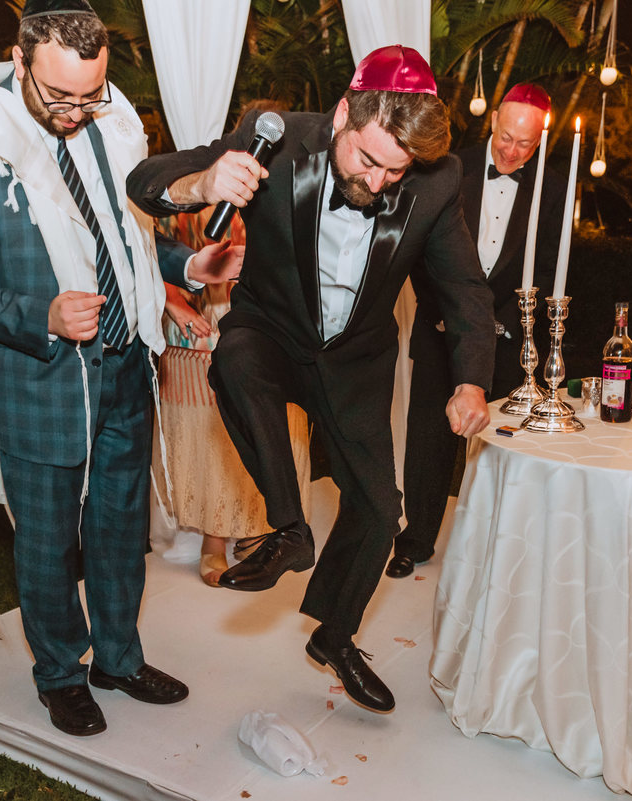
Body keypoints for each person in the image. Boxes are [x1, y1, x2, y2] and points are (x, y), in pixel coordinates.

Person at [126, 45, 495, 712]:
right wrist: (203, 184)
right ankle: (289, 529)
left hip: (356, 356)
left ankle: (335, 633)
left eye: (396, 170)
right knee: (234, 363)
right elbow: (145, 180)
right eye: (368, 160)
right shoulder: (275, 137)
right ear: (343, 113)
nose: (381, 181)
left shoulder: (437, 183)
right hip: (270, 329)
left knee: (382, 509)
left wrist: (470, 379)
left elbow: (464, 288)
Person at [0, 0, 241, 736]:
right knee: (49, 540)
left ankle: (119, 659)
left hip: (125, 367)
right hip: (40, 380)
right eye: (60, 96)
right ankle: (60, 672)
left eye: (90, 94)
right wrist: (43, 315)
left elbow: (124, 242)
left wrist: (187, 264)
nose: (76, 111)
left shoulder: (112, 128)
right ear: (18, 57)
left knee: (122, 529)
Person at [386, 82, 564, 579]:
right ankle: (415, 539)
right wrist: (445, 308)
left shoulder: (552, 187)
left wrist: (500, 323)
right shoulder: (450, 168)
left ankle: (494, 546)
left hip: (509, 335)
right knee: (428, 440)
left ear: (540, 142)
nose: (511, 151)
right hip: (440, 325)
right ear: (495, 123)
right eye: (506, 137)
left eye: (524, 144)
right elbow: (417, 246)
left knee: (500, 445)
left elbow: (547, 266)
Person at [154, 211, 312, 587]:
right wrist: (174, 302)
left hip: (269, 316)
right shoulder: (177, 189)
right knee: (213, 426)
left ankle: (265, 526)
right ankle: (214, 533)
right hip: (197, 315)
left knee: (267, 422)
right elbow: (149, 250)